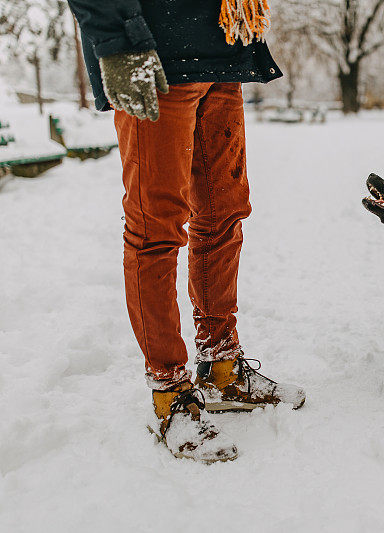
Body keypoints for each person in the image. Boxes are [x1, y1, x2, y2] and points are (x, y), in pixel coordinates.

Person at [68, 0, 305, 463]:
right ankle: (170, 393)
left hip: (222, 46)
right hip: (151, 54)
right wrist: (118, 45)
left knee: (223, 213)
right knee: (154, 229)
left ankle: (220, 366)